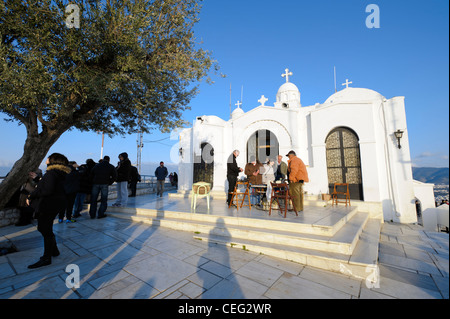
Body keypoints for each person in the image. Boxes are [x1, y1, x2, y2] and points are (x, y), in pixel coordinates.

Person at [27, 153, 70, 269]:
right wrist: (37, 178)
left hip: (48, 205)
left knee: (44, 229)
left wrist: (31, 196)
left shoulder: (51, 173)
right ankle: (54, 251)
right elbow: (49, 184)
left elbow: (47, 190)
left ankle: (46, 258)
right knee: (46, 228)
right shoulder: (59, 173)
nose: (46, 159)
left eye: (49, 157)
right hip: (56, 204)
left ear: (53, 160)